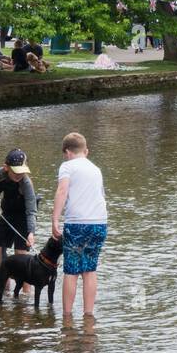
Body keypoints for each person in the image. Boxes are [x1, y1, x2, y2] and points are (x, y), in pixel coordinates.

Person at [51, 132, 107, 318]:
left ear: (67, 152)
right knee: (90, 269)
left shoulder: (67, 166)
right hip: (99, 222)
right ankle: (88, 315)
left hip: (77, 223)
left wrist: (55, 220)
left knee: (72, 270)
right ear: (86, 151)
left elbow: (62, 191)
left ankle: (67, 317)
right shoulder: (96, 169)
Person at [0, 148, 39, 293]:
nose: (20, 174)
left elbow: (32, 211)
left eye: (22, 171)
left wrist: (31, 233)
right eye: (16, 171)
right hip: (7, 215)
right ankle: (5, 282)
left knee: (21, 255)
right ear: (6, 167)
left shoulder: (26, 183)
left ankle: (26, 294)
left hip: (23, 217)